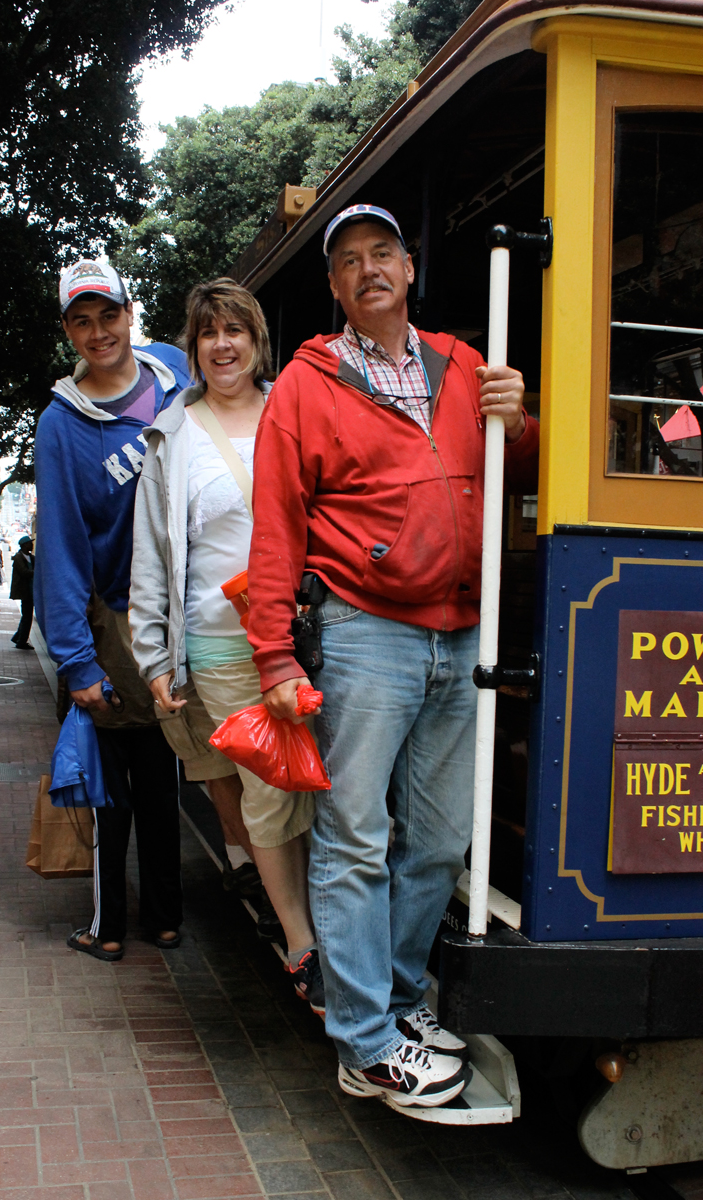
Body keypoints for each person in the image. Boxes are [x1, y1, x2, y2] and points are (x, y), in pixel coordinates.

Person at [246, 205, 540, 1112]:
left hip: (461, 630)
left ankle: (398, 1002)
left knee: (442, 840)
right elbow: (275, 525)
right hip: (364, 628)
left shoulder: (460, 363)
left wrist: (518, 418)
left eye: (383, 253)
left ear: (409, 269)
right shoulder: (307, 382)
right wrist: (274, 661)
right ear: (334, 288)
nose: (368, 270)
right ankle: (365, 1040)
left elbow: (513, 465)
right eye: (349, 262)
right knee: (355, 840)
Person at [129, 278, 322, 1009]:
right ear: (194, 347)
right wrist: (154, 656)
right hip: (218, 643)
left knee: (322, 788)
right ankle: (302, 943)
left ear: (257, 339)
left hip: (304, 631)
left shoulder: (296, 408)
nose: (223, 345)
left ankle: (324, 923)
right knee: (271, 792)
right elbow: (152, 553)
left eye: (235, 330)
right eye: (209, 333)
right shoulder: (171, 436)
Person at [34, 258, 189, 961]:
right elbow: (61, 548)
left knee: (162, 780)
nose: (99, 332)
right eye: (81, 320)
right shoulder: (62, 424)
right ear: (69, 330)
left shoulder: (174, 376)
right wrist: (75, 661)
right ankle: (111, 925)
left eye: (108, 314)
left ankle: (162, 916)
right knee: (113, 784)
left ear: (131, 313)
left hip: (182, 617)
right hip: (116, 626)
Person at [10, 536, 35, 646]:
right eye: (30, 543)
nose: (32, 545)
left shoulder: (32, 557)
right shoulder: (18, 558)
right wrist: (38, 571)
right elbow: (24, 572)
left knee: (27, 616)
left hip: (31, 591)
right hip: (24, 592)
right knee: (27, 616)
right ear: (24, 545)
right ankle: (21, 641)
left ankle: (18, 637)